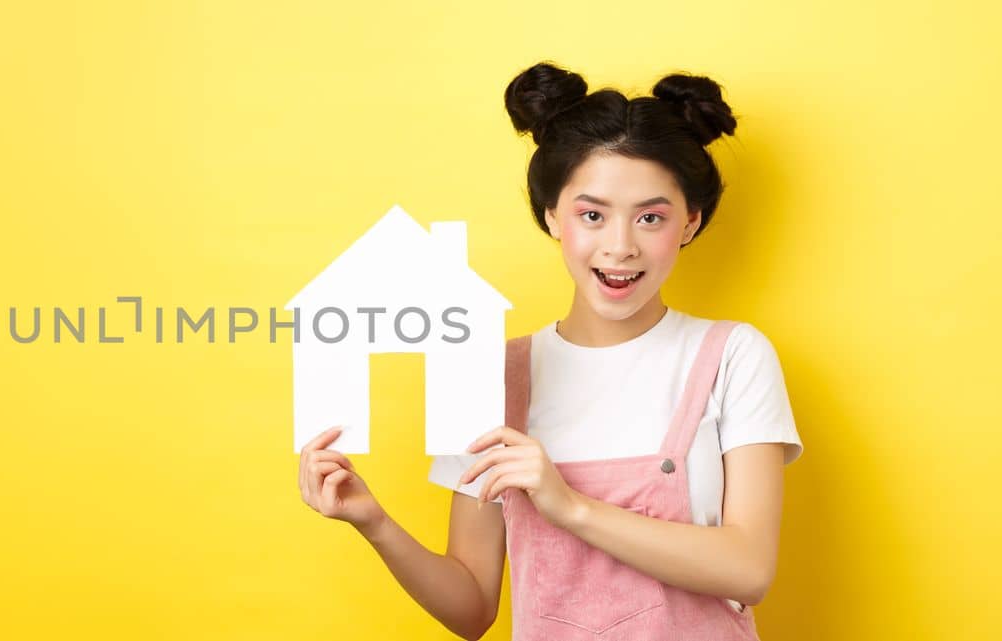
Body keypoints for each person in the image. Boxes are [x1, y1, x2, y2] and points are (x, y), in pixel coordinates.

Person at [295, 61, 804, 640]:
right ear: (552, 216)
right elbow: (471, 608)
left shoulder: (732, 357)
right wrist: (374, 522)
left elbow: (748, 569)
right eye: (592, 214)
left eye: (651, 218)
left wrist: (570, 507)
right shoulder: (492, 375)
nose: (620, 246)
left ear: (690, 222)